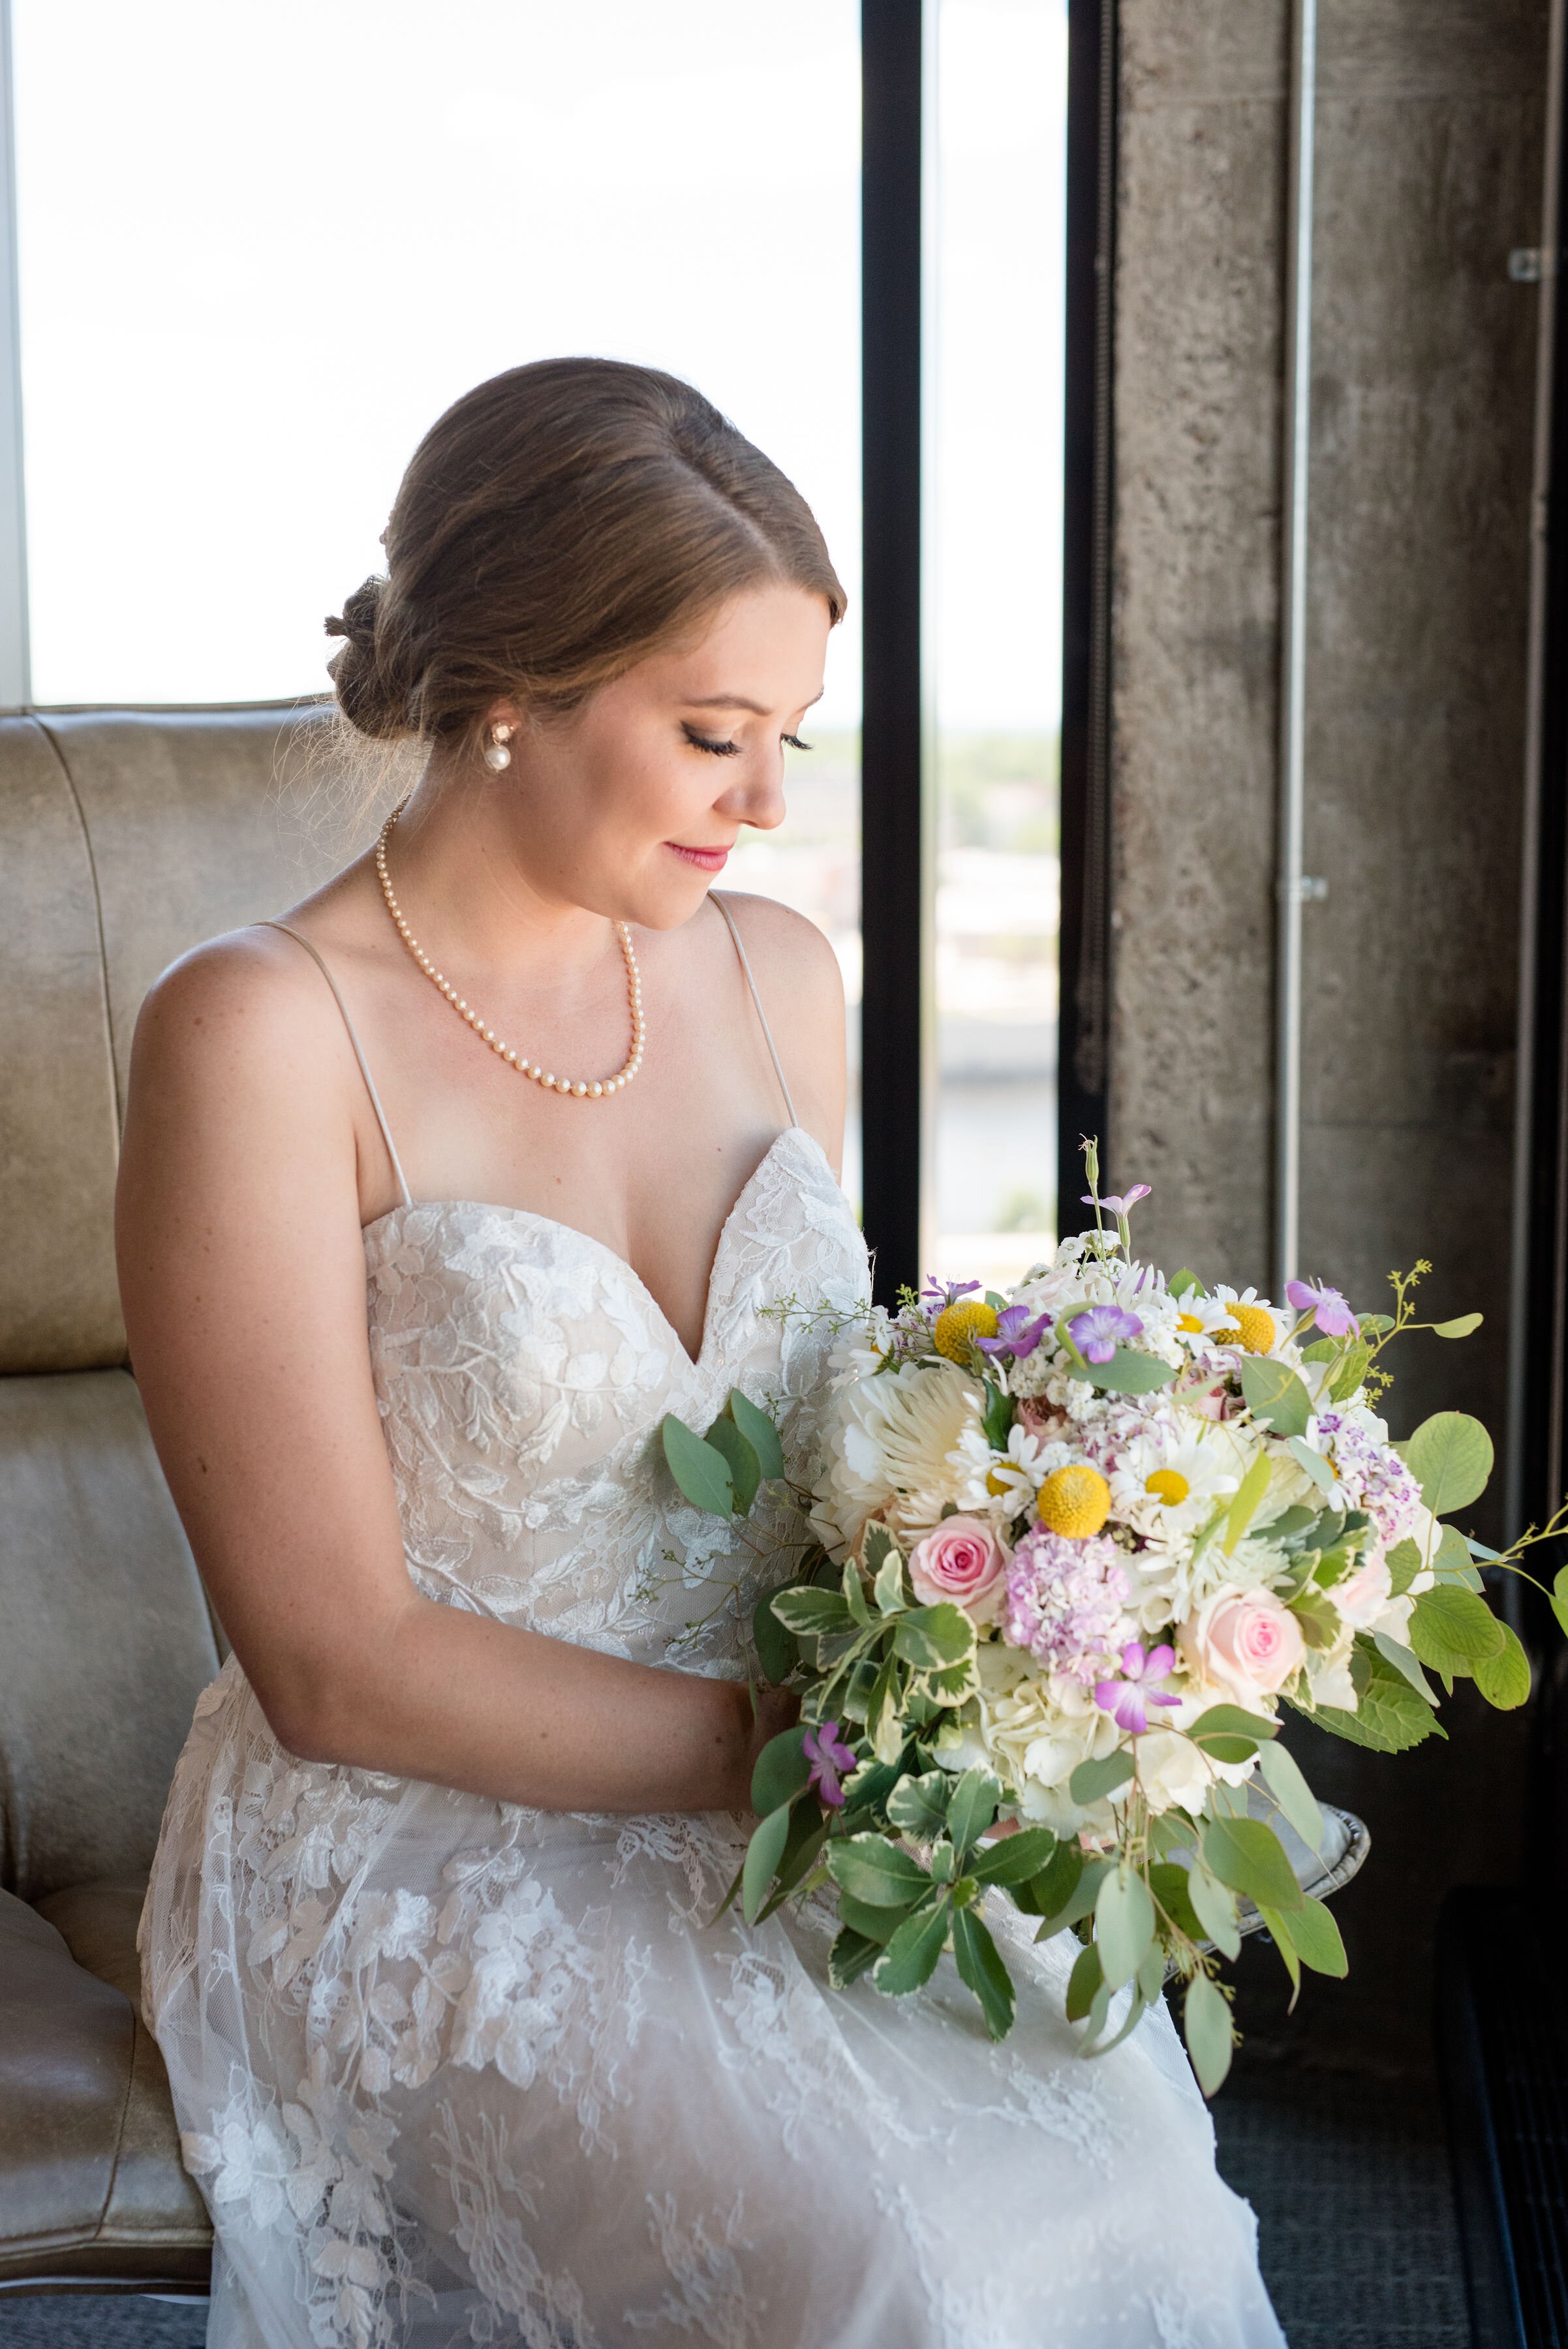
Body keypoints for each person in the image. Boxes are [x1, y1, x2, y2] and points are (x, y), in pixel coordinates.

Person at [121, 358, 1284, 2348]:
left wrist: (1031, 1610)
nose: (761, 805)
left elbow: (855, 1440)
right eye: (711, 735)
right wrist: (807, 1758)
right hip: (437, 1842)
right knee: (903, 2266)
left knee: (1143, 2191)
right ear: (510, 682)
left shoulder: (777, 973)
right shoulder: (259, 1033)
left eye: (788, 743)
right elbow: (331, 1663)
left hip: (815, 1784)